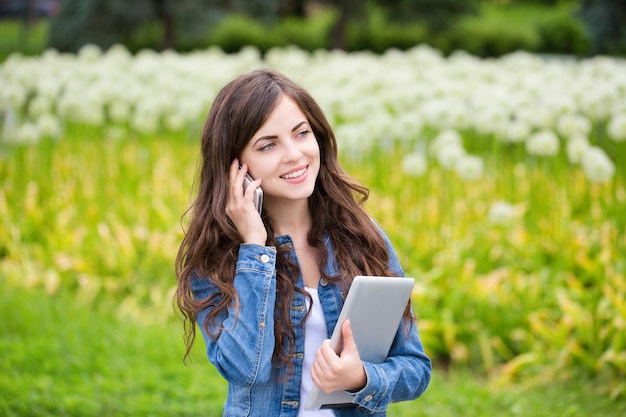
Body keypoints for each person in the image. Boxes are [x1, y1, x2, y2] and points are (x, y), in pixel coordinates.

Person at [175, 68, 431, 416]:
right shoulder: (218, 258)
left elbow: (415, 368)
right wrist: (255, 248)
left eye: (301, 133)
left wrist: (360, 377)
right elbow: (245, 370)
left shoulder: (362, 237)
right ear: (235, 166)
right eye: (268, 145)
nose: (295, 154)